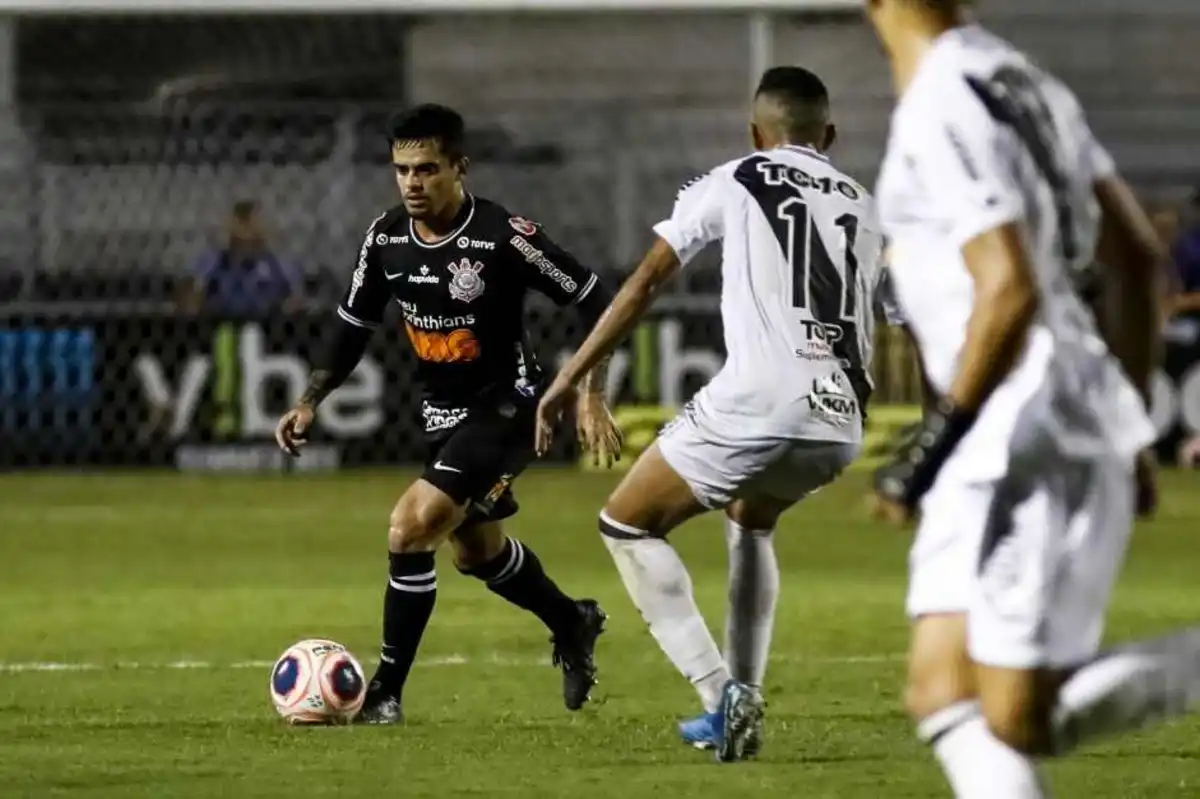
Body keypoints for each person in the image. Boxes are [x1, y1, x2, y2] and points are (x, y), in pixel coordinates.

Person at [865, 2, 1200, 796]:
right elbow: (1136, 256)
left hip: (1015, 429)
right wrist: (1123, 423)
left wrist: (931, 447)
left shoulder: (942, 98)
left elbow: (1006, 286)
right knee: (943, 696)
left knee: (1016, 716)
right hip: (1046, 416)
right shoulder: (1023, 78)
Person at [535, 67, 889, 763]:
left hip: (759, 396)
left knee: (626, 522)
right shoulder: (866, 204)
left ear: (756, 134)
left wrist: (577, 379)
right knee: (752, 520)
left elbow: (646, 280)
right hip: (842, 414)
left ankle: (716, 691)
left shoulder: (738, 177)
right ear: (831, 135)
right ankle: (744, 698)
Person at [275, 104, 621, 724]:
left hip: (512, 405)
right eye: (401, 169)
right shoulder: (384, 240)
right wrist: (309, 401)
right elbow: (352, 327)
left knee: (411, 526)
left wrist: (590, 391)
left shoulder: (503, 237)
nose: (412, 182)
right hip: (444, 414)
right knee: (476, 554)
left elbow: (599, 301)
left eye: (427, 168)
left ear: (460, 167)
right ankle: (573, 621)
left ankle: (385, 693)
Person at [179, 200, 302, 316]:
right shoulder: (212, 261)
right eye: (242, 223)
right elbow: (189, 297)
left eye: (251, 223)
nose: (247, 232)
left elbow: (296, 302)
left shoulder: (279, 265)